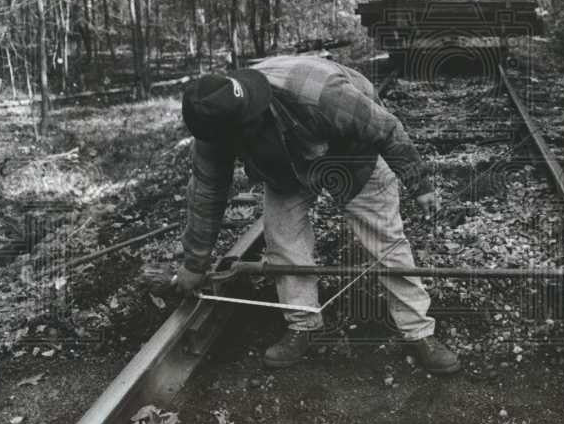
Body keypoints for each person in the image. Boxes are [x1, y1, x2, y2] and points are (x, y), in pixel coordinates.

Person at [174, 55, 460, 374]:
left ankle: (419, 331)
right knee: (282, 239)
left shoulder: (321, 95)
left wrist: (420, 186)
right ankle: (303, 323)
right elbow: (206, 192)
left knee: (385, 238)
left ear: (252, 110)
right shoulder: (212, 123)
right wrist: (194, 263)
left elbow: (386, 130)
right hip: (281, 166)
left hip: (351, 151)